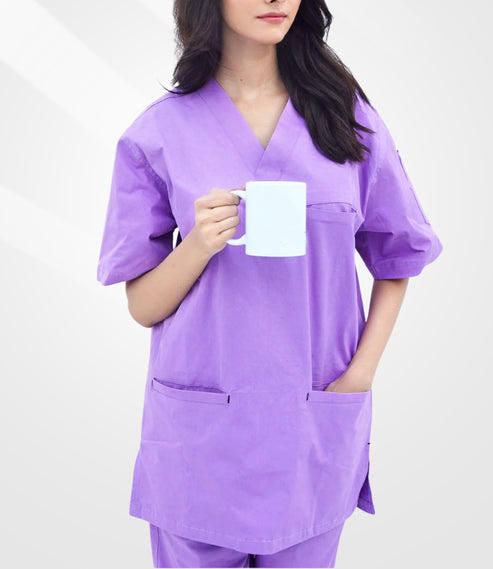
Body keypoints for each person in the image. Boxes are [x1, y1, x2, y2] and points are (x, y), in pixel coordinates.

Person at [96, 1, 444, 567]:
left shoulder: (346, 119)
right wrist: (198, 245)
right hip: (202, 443)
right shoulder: (158, 133)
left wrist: (360, 375)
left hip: (313, 426)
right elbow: (142, 305)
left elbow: (398, 255)